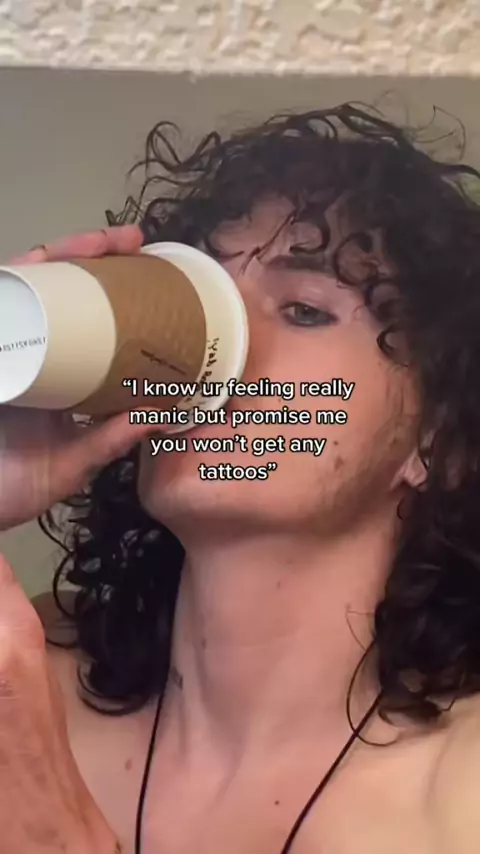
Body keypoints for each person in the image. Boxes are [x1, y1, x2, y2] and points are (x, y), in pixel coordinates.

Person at [1, 102, 480, 854]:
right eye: (199, 300)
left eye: (305, 310)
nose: (218, 348)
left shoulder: (457, 798)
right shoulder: (32, 669)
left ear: (438, 442)